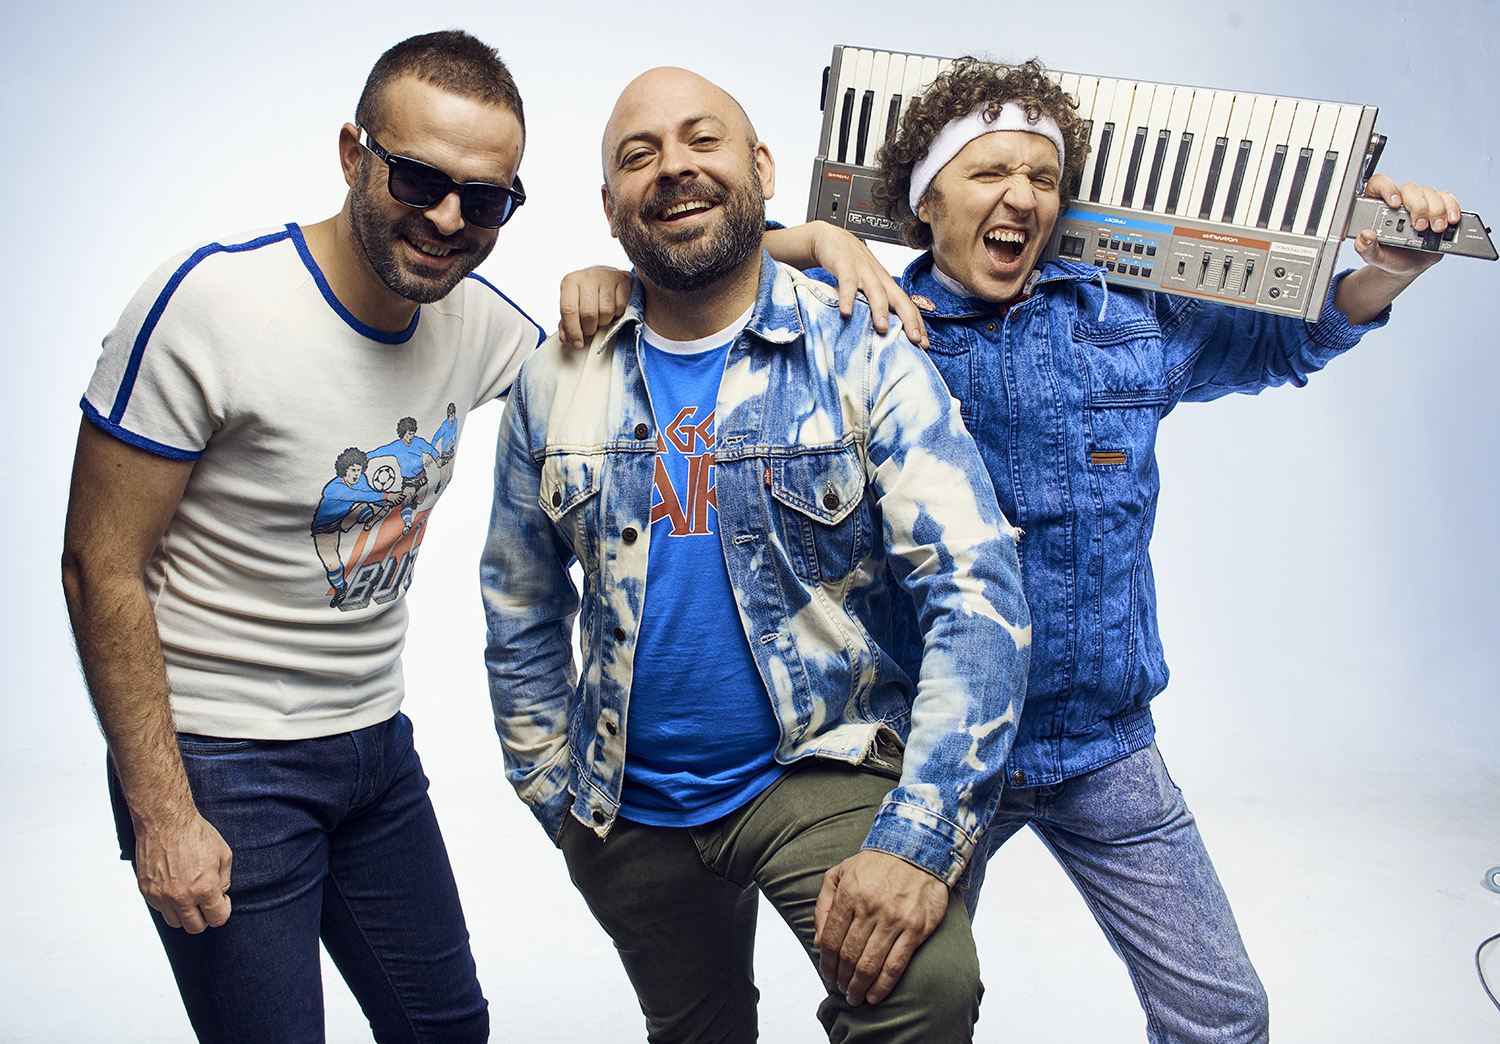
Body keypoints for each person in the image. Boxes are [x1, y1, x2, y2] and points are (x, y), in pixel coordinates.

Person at [774, 57, 1460, 1043]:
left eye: (1043, 178)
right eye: (988, 172)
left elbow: (1285, 342)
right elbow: (701, 273)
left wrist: (1391, 267)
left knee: (1225, 1016)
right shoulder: (868, 327)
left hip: (1105, 747)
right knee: (898, 1007)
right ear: (924, 201)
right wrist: (816, 238)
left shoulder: (1129, 320)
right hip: (943, 752)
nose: (1021, 197)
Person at [481, 66, 1031, 1043]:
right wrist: (555, 793)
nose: (673, 167)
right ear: (609, 207)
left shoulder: (861, 348)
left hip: (815, 764)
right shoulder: (555, 376)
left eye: (704, 140)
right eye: (639, 155)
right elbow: (519, 601)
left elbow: (974, 590)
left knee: (922, 993)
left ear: (763, 168)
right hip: (625, 807)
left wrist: (918, 841)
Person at [60, 30, 540, 1042]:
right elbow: (99, 566)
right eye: (418, 179)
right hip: (221, 760)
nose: (447, 220)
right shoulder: (212, 306)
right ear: (353, 154)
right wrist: (162, 814)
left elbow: (643, 350)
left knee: (449, 1031)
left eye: (485, 199)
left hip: (375, 750)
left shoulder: (482, 325)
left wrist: (800, 245)